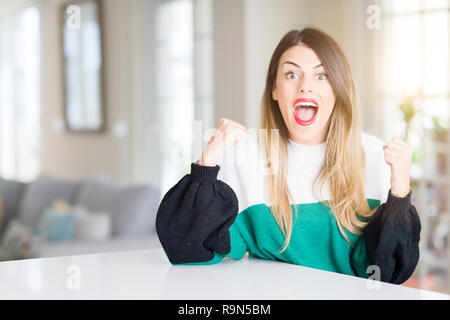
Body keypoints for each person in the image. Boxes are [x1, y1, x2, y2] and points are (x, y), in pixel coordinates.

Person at [156, 27, 421, 284]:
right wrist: (207, 163)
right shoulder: (246, 157)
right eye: (292, 75)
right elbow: (187, 252)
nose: (305, 87)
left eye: (322, 76)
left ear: (338, 90)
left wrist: (400, 191)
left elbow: (389, 273)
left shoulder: (374, 155)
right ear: (274, 89)